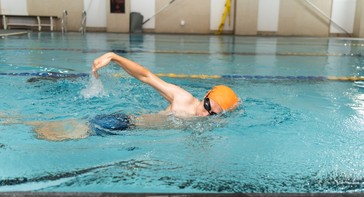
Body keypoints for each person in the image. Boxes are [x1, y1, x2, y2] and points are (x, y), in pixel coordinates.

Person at [6, 52, 240, 141]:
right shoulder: (183, 99)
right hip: (124, 123)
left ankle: (16, 122)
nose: (205, 111)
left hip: (131, 134)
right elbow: (147, 76)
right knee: (55, 134)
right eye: (207, 104)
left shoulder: (207, 125)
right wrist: (115, 57)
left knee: (62, 134)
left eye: (212, 113)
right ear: (205, 96)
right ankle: (13, 121)